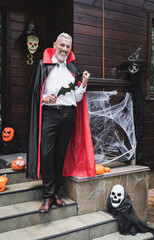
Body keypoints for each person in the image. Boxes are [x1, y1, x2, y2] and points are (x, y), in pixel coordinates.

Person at [27, 32, 91, 213]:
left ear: (70, 49)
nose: (64, 49)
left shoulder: (73, 69)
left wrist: (84, 83)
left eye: (68, 46)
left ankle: (55, 193)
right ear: (55, 44)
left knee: (60, 154)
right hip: (50, 114)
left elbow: (77, 98)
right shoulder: (42, 66)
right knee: (47, 153)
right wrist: (44, 98)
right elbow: (33, 94)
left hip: (68, 114)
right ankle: (47, 196)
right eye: (62, 45)